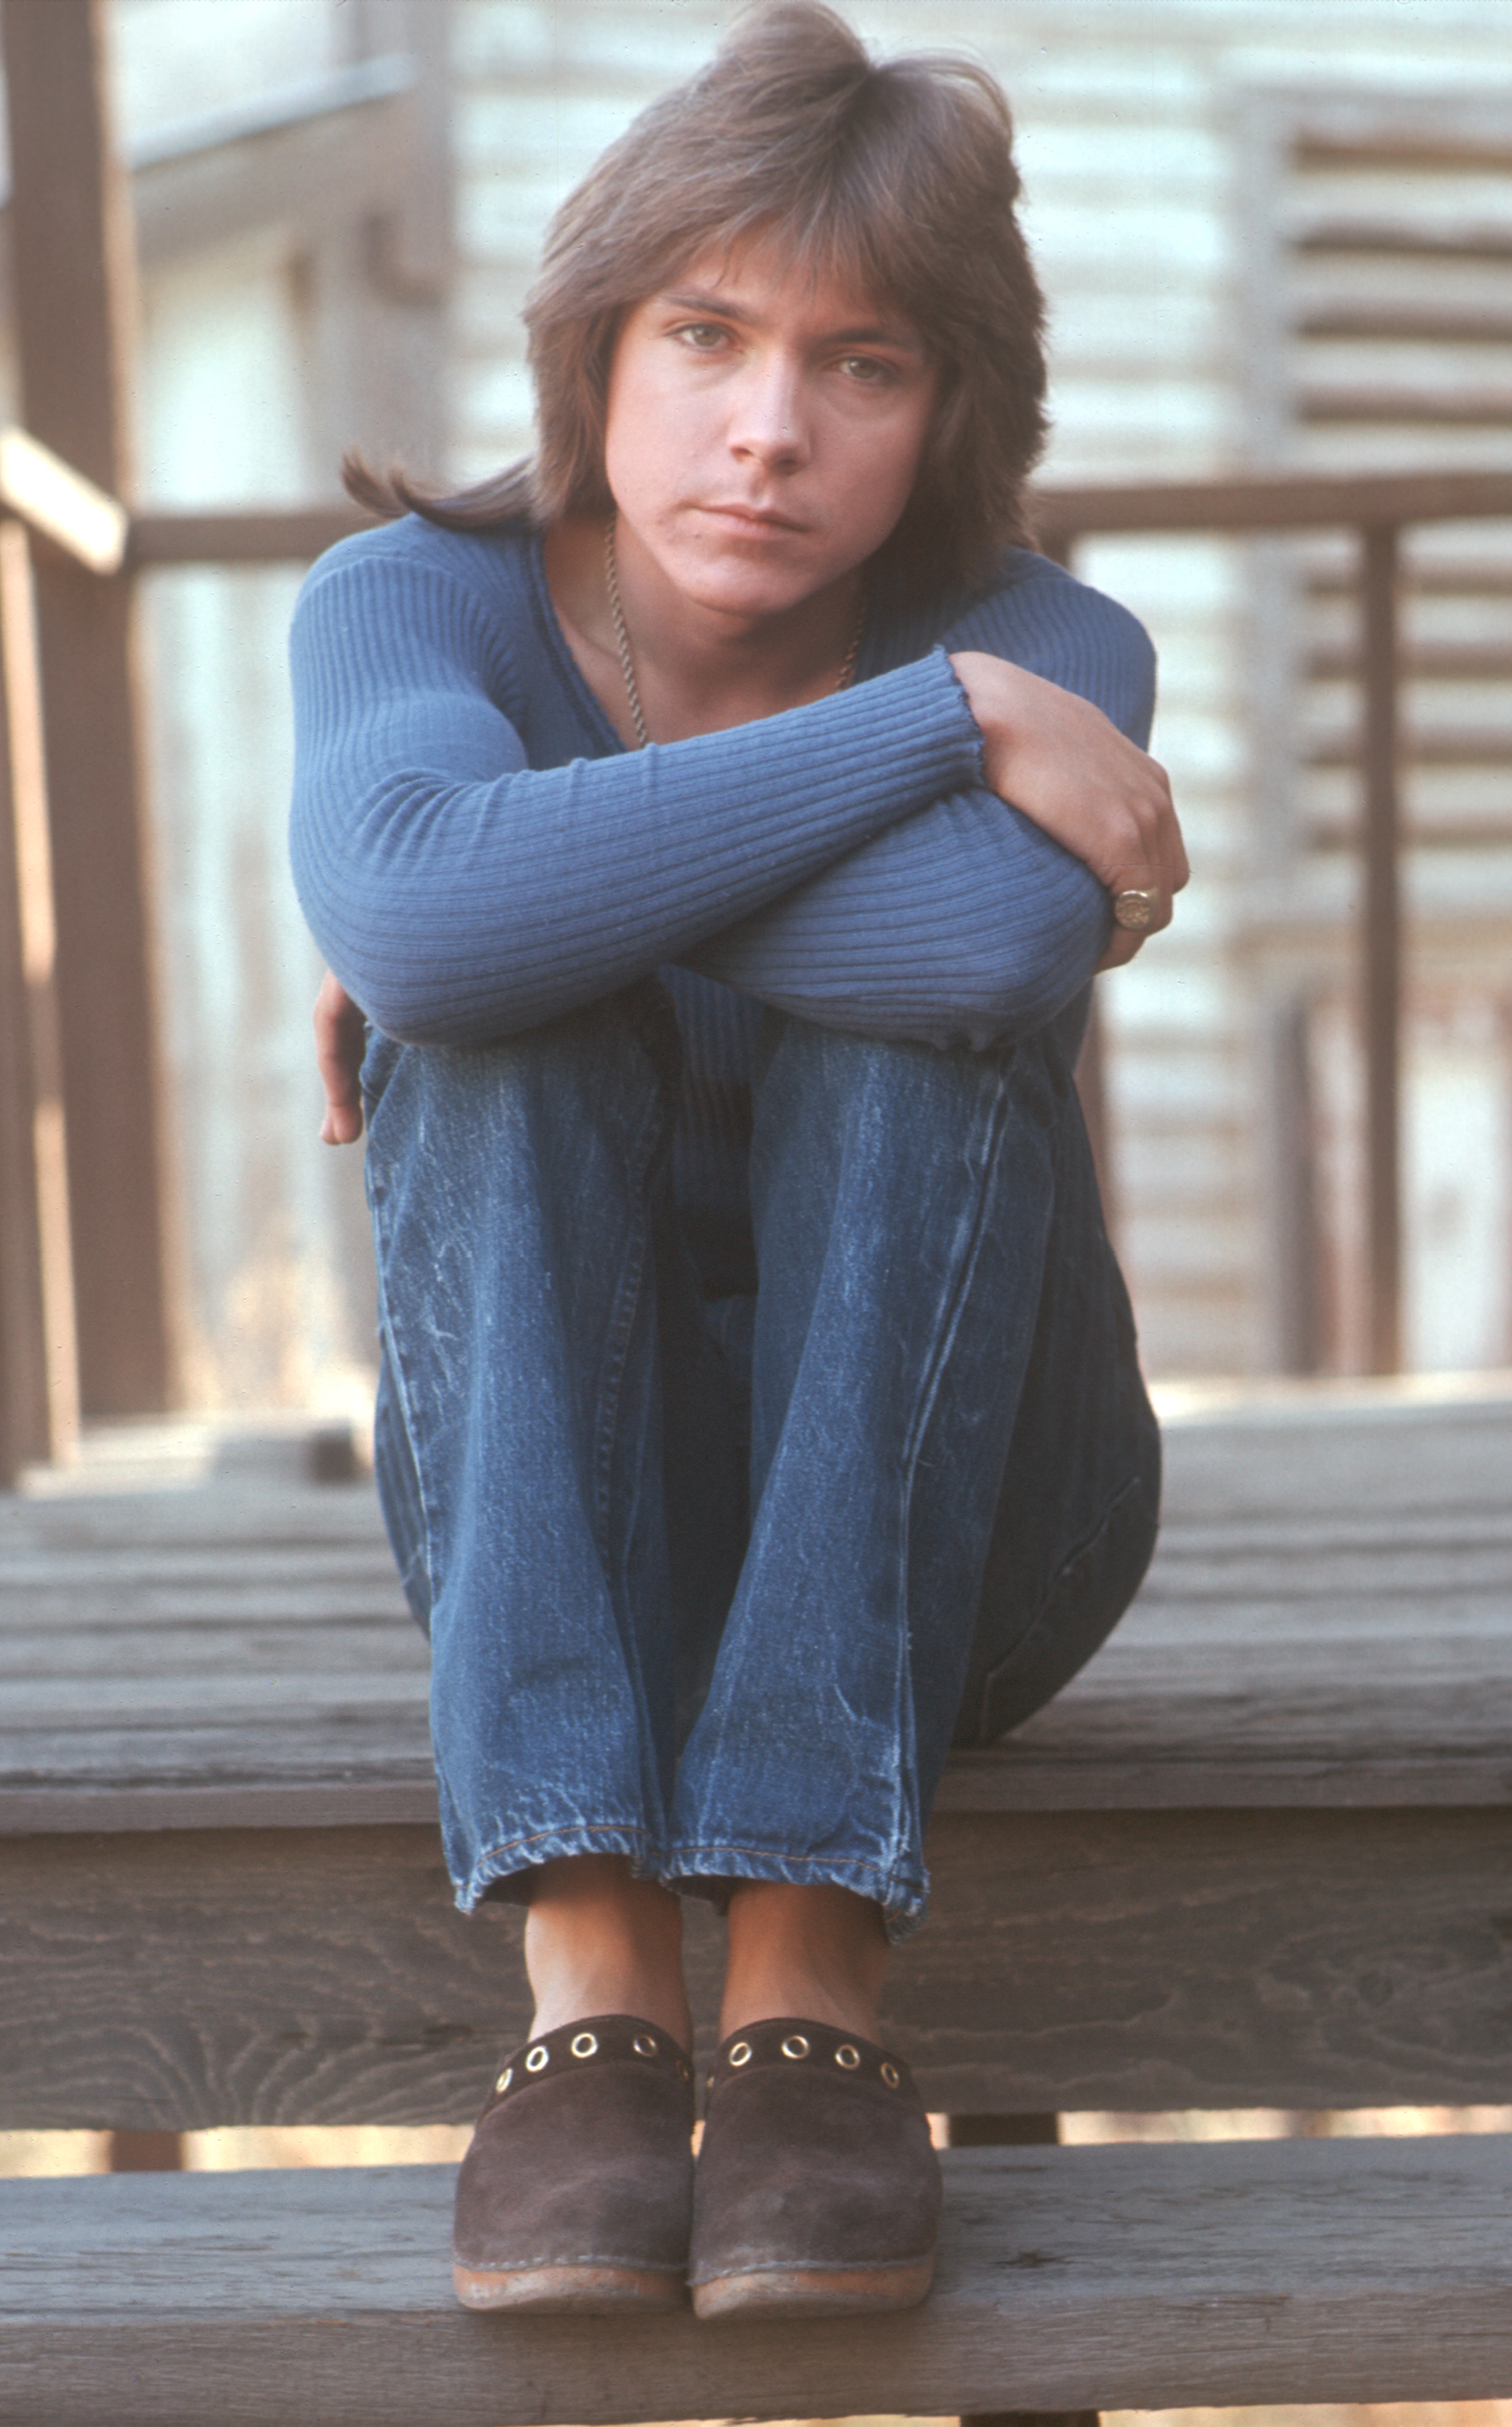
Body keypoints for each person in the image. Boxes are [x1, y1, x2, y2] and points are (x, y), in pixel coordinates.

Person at [290, 0, 1186, 2325]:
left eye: (861, 366)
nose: (767, 429)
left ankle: (807, 1974)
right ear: (596, 347)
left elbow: (984, 958)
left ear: (947, 411)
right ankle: (588, 1987)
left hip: (980, 1526)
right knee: (486, 1028)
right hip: (557, 1534)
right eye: (704, 335)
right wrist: (939, 733)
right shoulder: (415, 602)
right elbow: (420, 912)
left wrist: (506, 895)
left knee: (880, 1044)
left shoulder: (1051, 630)